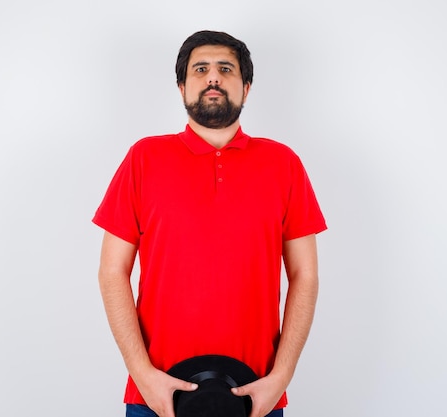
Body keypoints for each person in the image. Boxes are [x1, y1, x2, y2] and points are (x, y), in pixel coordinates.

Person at [93, 30, 327, 417]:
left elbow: (305, 275)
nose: (213, 77)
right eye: (200, 69)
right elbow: (111, 272)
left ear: (246, 88)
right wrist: (142, 374)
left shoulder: (284, 163)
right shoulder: (144, 158)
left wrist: (281, 377)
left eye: (226, 69)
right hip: (156, 396)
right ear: (182, 86)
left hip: (255, 395)